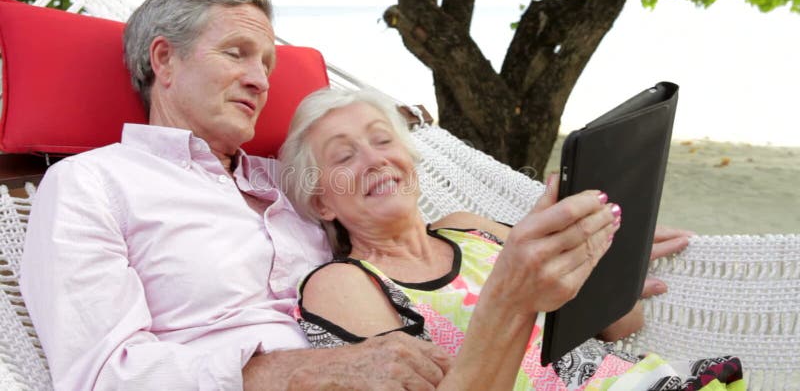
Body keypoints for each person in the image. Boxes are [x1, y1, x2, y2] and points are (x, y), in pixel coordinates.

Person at [19, 0, 453, 390]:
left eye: (267, 64)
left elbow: (404, 234)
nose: (261, 81)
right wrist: (306, 371)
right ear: (165, 59)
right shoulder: (90, 184)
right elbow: (101, 376)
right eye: (236, 53)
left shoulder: (296, 180)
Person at [279, 88, 746, 390]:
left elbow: (620, 324)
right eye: (344, 157)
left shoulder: (468, 226)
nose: (374, 160)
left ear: (409, 157)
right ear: (322, 204)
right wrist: (513, 295)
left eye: (383, 141)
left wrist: (603, 241)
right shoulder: (342, 284)